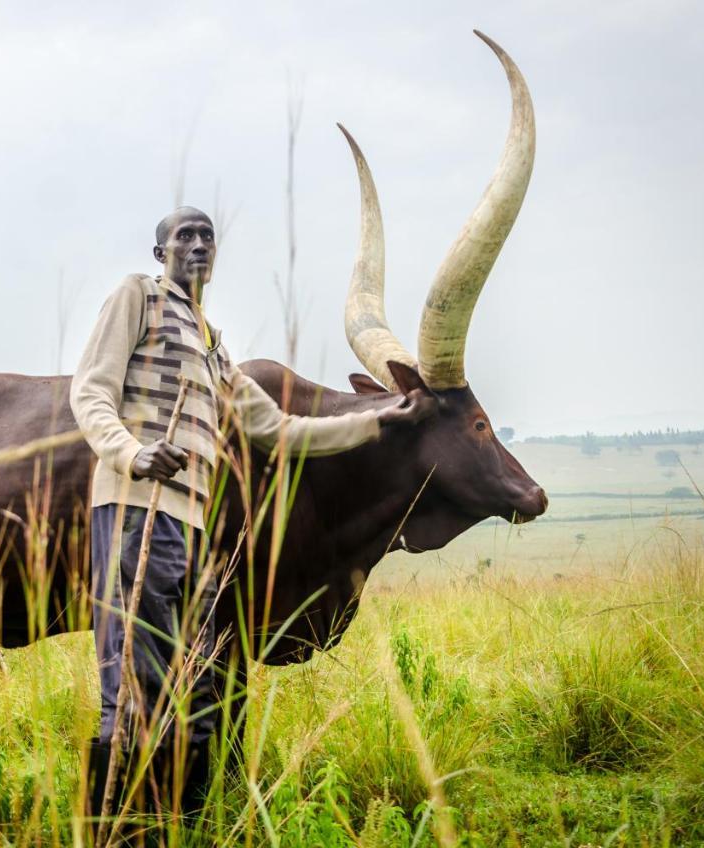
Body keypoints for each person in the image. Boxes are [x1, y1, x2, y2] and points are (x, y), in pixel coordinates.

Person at [69, 206, 432, 827]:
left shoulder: (214, 347)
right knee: (136, 683)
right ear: (161, 253)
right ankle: (113, 832)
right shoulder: (138, 296)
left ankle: (175, 824)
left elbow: (281, 429)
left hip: (190, 527)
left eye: (208, 235)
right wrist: (132, 453)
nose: (199, 244)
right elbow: (90, 389)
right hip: (135, 508)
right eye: (184, 235)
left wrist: (380, 421)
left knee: (196, 684)